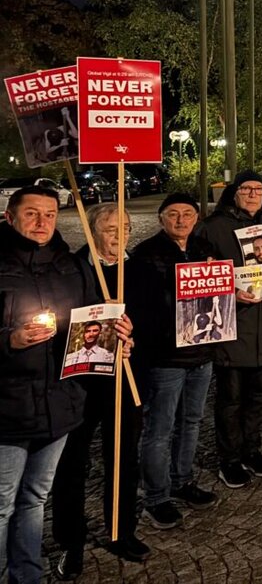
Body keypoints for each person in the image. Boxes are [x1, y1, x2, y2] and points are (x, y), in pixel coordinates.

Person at [0, 185, 131, 583]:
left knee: (36, 498)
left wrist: (117, 336)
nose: (42, 223)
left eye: (50, 214)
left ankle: (28, 575)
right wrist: (9, 339)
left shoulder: (69, 265)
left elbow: (93, 319)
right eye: (32, 214)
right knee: (2, 504)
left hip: (60, 404)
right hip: (8, 406)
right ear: (10, 217)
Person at [53, 203, 146, 578]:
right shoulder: (72, 269)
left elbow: (153, 317)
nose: (119, 234)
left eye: (124, 226)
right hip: (80, 381)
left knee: (123, 456)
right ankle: (70, 542)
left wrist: (134, 339)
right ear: (92, 232)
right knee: (73, 462)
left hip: (124, 376)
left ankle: (121, 530)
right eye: (110, 228)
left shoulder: (135, 268)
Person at [130, 193, 219, 530]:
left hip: (202, 352)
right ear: (161, 218)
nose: (181, 220)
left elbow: (220, 298)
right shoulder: (146, 254)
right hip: (165, 356)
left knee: (192, 421)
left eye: (187, 214)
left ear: (196, 218)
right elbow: (140, 308)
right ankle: (156, 496)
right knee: (159, 428)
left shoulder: (203, 249)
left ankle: (183, 481)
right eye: (173, 214)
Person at [195, 171, 262, 490]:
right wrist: (229, 292)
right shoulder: (212, 227)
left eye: (259, 189)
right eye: (246, 189)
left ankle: (252, 449)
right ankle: (229, 459)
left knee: (258, 397)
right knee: (231, 399)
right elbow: (201, 276)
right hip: (232, 325)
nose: (253, 194)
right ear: (234, 193)